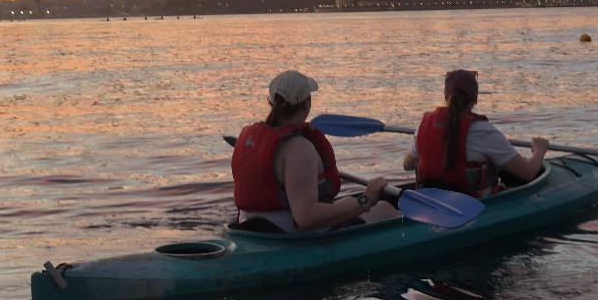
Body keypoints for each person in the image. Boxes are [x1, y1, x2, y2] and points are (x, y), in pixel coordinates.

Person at [232, 69, 394, 232]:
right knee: (385, 209)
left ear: (272, 103)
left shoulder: (248, 136)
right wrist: (366, 200)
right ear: (307, 103)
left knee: (346, 203)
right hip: (289, 235)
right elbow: (306, 217)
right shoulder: (298, 149)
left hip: (250, 227)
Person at [403, 70, 550, 197]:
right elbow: (528, 173)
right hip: (468, 204)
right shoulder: (482, 131)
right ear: (475, 98)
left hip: (430, 202)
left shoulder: (424, 124)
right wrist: (539, 149)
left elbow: (408, 164)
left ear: (445, 95)